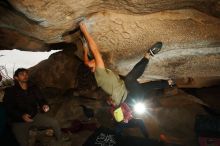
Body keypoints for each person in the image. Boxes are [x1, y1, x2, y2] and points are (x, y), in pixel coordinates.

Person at [79, 22, 174, 106]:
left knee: (144, 87)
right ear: (92, 69)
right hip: (130, 96)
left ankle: (168, 83)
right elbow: (95, 51)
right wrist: (84, 31)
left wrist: (85, 48)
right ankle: (149, 55)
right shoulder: (99, 72)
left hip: (129, 94)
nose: (93, 60)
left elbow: (86, 62)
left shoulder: (94, 73)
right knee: (130, 80)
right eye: (91, 63)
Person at [3, 68, 62, 146]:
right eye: (22, 74)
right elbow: (8, 108)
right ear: (16, 78)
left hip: (34, 116)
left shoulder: (33, 88)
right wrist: (21, 115)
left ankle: (60, 141)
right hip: (18, 121)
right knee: (23, 143)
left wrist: (44, 105)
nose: (25, 76)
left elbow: (41, 99)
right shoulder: (10, 91)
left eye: (26, 74)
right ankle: (36, 135)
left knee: (54, 123)